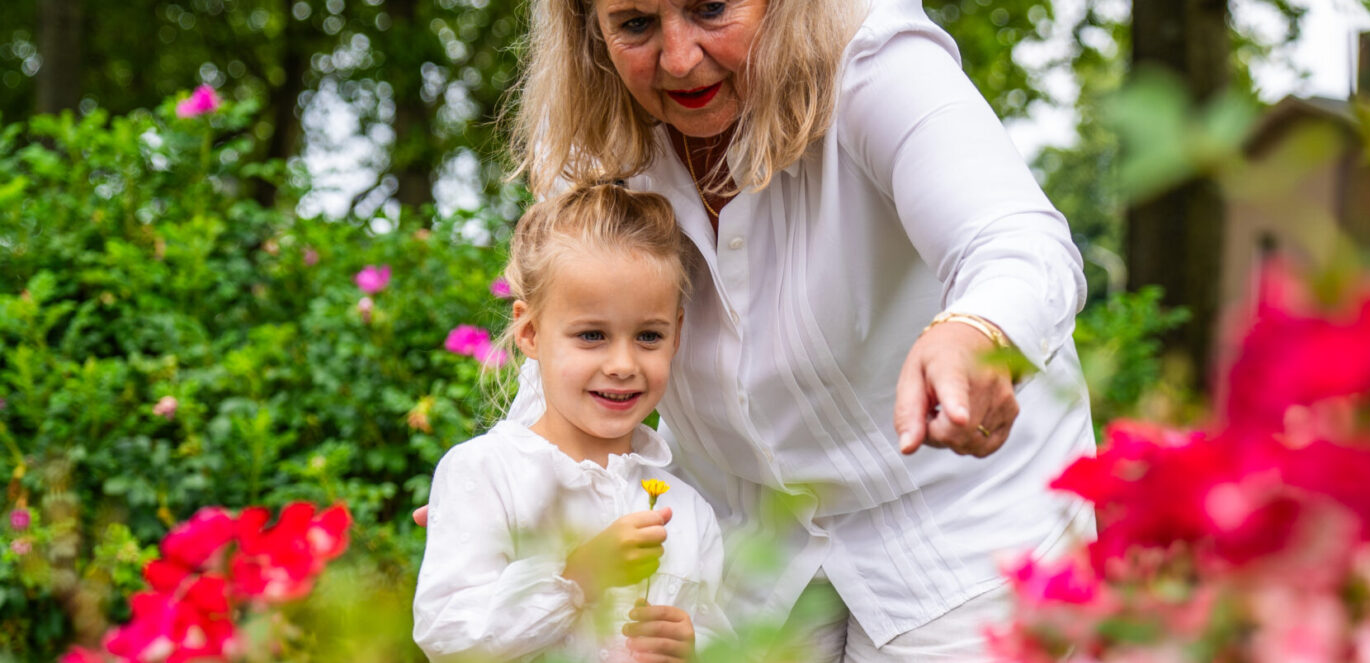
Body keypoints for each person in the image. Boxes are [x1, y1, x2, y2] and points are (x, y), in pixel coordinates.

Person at [421, 0, 1098, 659]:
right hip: (753, 544)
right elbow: (573, 326)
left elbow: (1017, 242)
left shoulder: (876, 64)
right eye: (635, 24)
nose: (680, 59)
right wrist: (513, 486)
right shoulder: (599, 134)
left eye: (712, 9)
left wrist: (976, 329)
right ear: (588, 31)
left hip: (961, 527)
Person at [412, 184, 731, 663]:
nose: (623, 363)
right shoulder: (486, 473)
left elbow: (726, 637)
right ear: (531, 332)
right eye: (592, 335)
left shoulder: (686, 508)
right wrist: (576, 578)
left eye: (648, 335)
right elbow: (447, 635)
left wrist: (695, 646)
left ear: (677, 333)